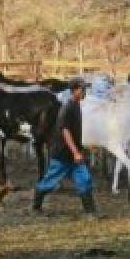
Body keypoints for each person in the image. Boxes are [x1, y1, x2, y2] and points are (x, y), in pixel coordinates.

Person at [32, 79, 97, 216]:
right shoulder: (67, 108)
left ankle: (91, 212)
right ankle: (36, 207)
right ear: (75, 90)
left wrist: (83, 147)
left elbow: (74, 131)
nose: (85, 91)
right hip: (62, 153)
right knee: (49, 182)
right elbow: (65, 131)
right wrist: (75, 152)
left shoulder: (76, 105)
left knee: (84, 179)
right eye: (83, 89)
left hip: (73, 153)